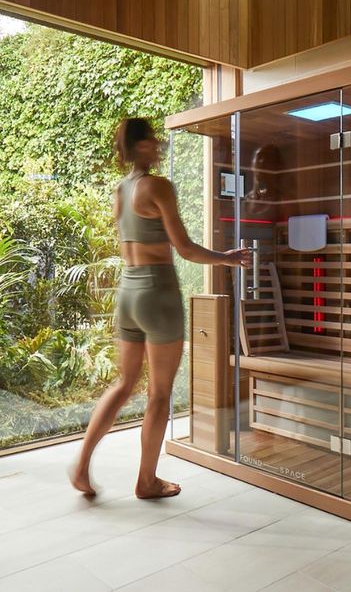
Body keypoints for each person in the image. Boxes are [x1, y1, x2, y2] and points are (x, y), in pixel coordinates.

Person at [69, 117, 250, 499]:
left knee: (123, 384)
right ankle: (147, 481)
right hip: (158, 293)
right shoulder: (158, 187)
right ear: (140, 146)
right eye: (151, 140)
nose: (158, 144)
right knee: (160, 394)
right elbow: (183, 248)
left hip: (128, 292)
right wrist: (228, 258)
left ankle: (82, 466)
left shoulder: (121, 190)